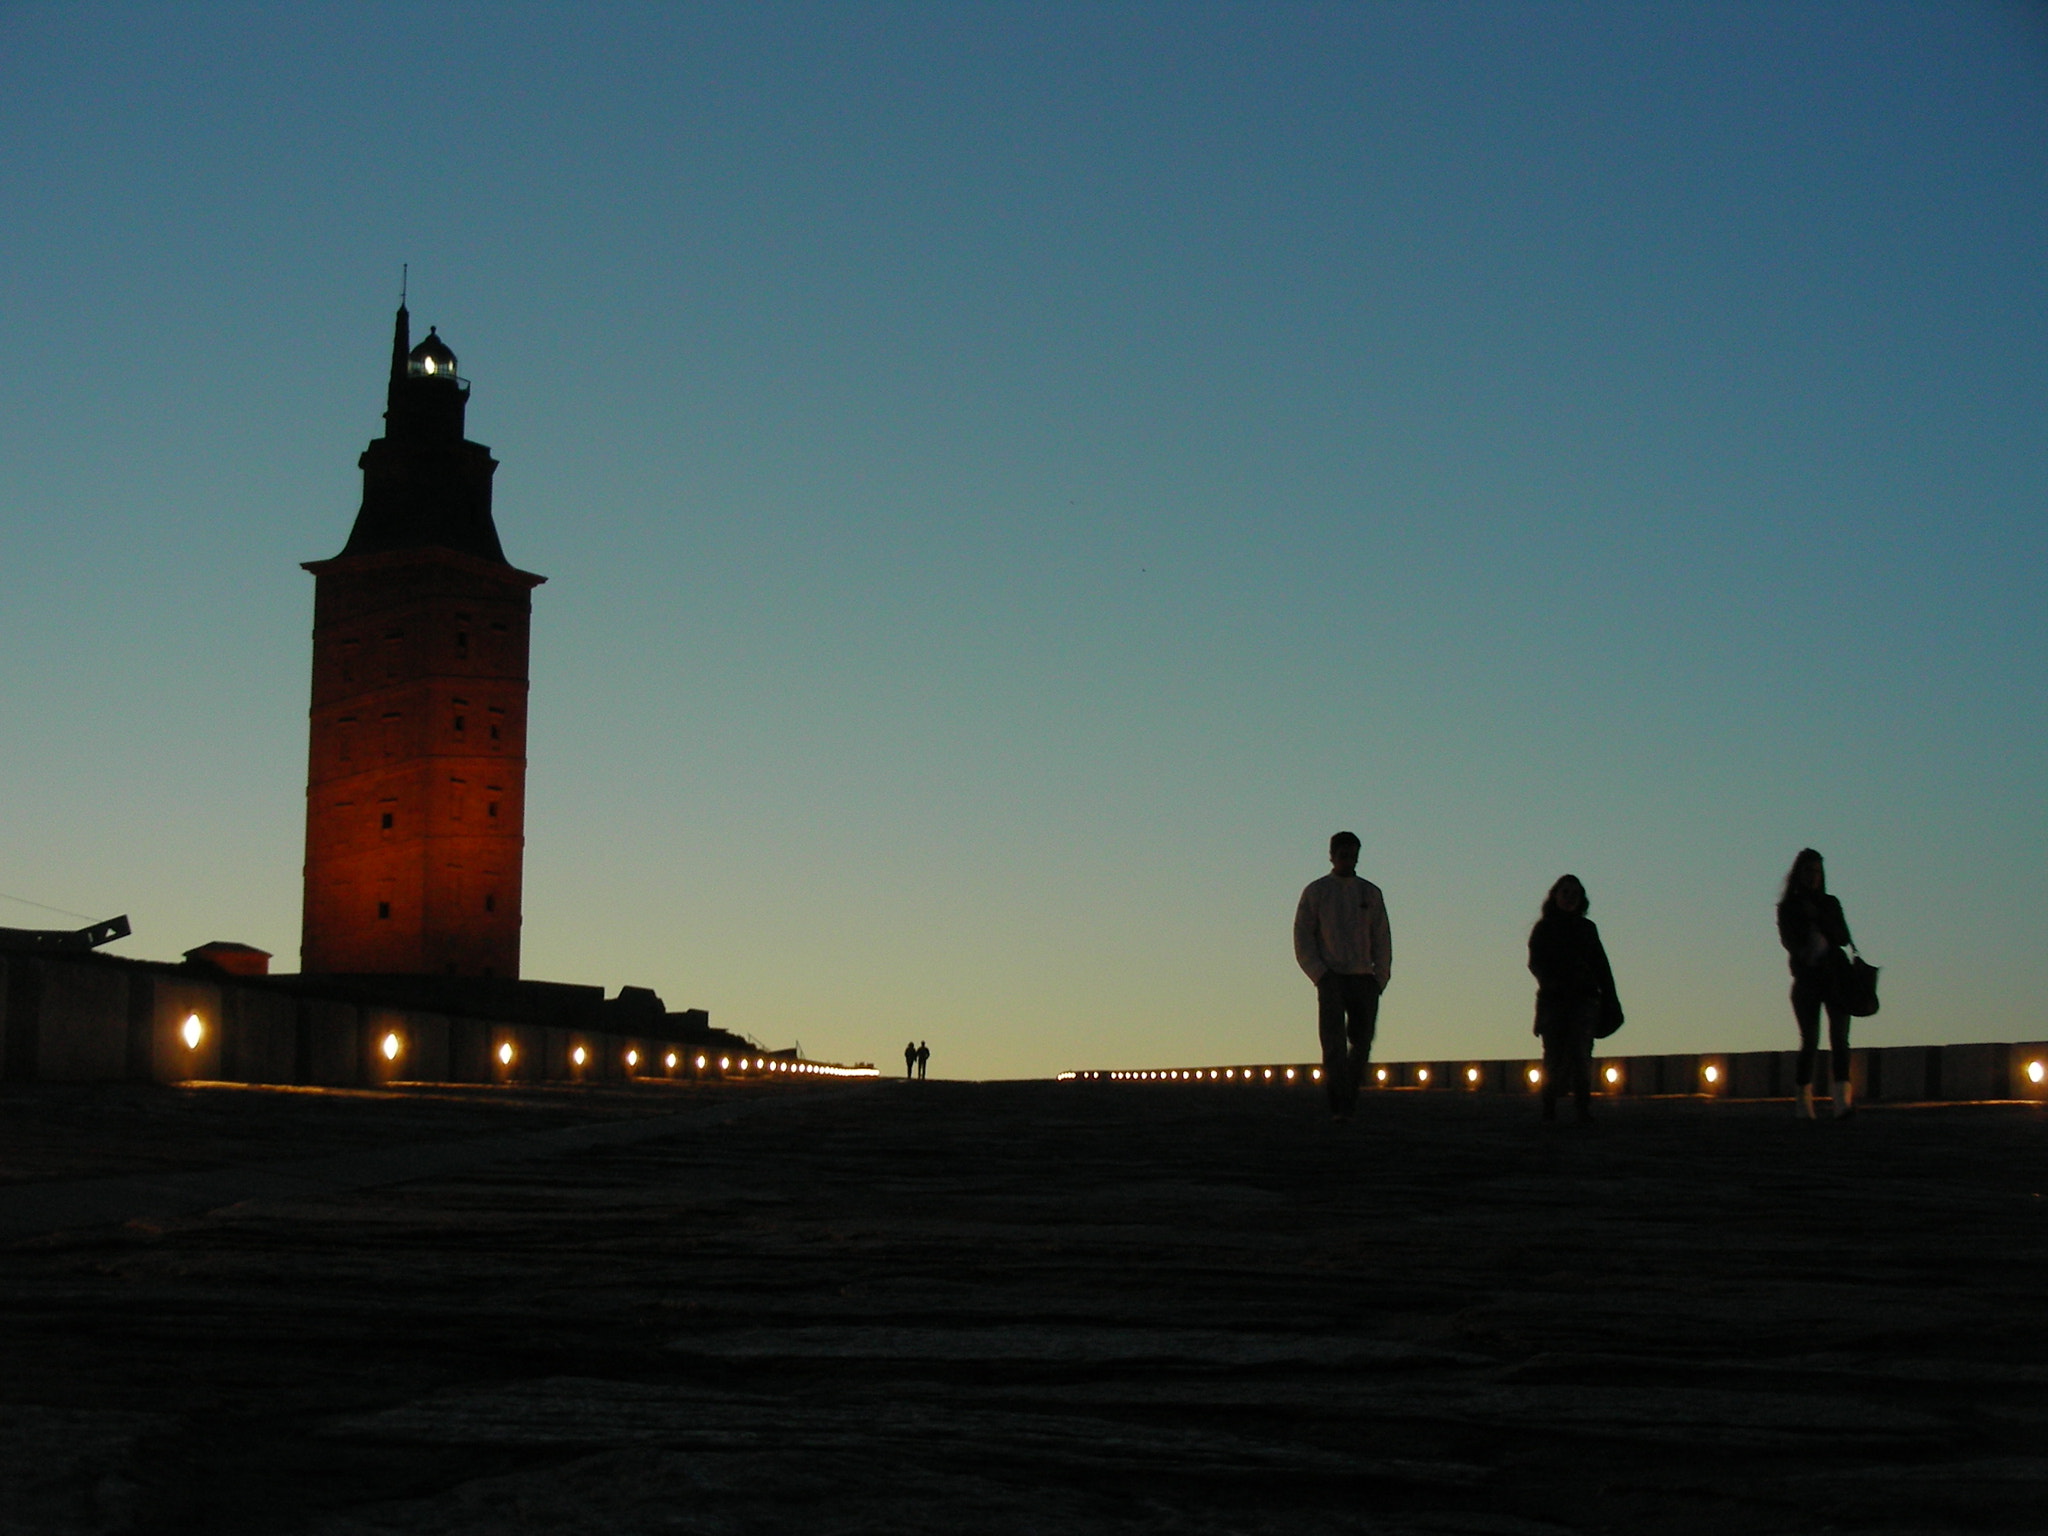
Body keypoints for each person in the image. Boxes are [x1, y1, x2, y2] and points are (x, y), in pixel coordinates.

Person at [1293, 831, 1391, 1120]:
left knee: (1361, 1042)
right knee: (1334, 1043)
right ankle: (1339, 1102)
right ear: (1332, 856)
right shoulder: (1317, 891)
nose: (1348, 860)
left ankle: (1350, 1093)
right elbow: (1303, 935)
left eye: (1353, 855)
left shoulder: (1370, 893)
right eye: (1343, 855)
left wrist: (1379, 976)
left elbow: (1381, 935)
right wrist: (1319, 973)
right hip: (1332, 976)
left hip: (1364, 977)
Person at [1527, 874, 1621, 1123]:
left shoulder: (1587, 929)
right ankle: (1549, 1108)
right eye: (1565, 892)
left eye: (1574, 894)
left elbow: (1602, 966)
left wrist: (1610, 998)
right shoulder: (1544, 928)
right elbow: (1536, 963)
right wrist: (1553, 984)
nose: (1569, 898)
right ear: (1555, 895)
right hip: (1553, 1001)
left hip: (1584, 1000)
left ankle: (1582, 1108)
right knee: (1553, 1054)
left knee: (1581, 1053)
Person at [1777, 848, 1856, 1119]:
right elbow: (1790, 942)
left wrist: (1821, 918)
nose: (1814, 878)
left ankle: (1842, 1103)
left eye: (1817, 873)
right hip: (1808, 979)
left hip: (1835, 977)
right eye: (1809, 872)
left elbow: (1843, 937)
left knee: (1840, 1040)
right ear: (1799, 874)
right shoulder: (1788, 908)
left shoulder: (1830, 903)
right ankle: (1804, 1103)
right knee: (1810, 1040)